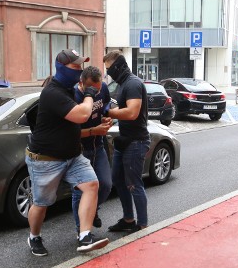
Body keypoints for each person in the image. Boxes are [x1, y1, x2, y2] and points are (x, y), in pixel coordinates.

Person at [25, 49, 109, 256]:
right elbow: (81, 115)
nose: (79, 70)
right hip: (46, 159)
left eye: (81, 66)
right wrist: (89, 95)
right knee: (42, 203)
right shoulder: (53, 92)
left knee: (91, 185)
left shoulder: (68, 88)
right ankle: (34, 236)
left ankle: (84, 236)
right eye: (75, 66)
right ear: (61, 68)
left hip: (72, 156)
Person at [102, 51, 151, 232]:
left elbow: (131, 112)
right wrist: (111, 119)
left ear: (119, 66)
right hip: (125, 140)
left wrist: (108, 112)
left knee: (133, 184)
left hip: (136, 142)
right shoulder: (122, 84)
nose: (108, 74)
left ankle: (142, 223)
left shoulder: (133, 84)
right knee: (118, 180)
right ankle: (128, 219)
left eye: (110, 69)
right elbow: (122, 112)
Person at [71, 66, 113, 234]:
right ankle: (81, 230)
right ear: (81, 83)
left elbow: (106, 105)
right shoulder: (73, 96)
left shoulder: (102, 88)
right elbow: (70, 133)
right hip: (79, 150)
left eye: (98, 88)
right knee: (79, 192)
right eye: (92, 90)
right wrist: (93, 131)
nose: (96, 93)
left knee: (106, 185)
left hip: (98, 145)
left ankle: (92, 210)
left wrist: (106, 117)